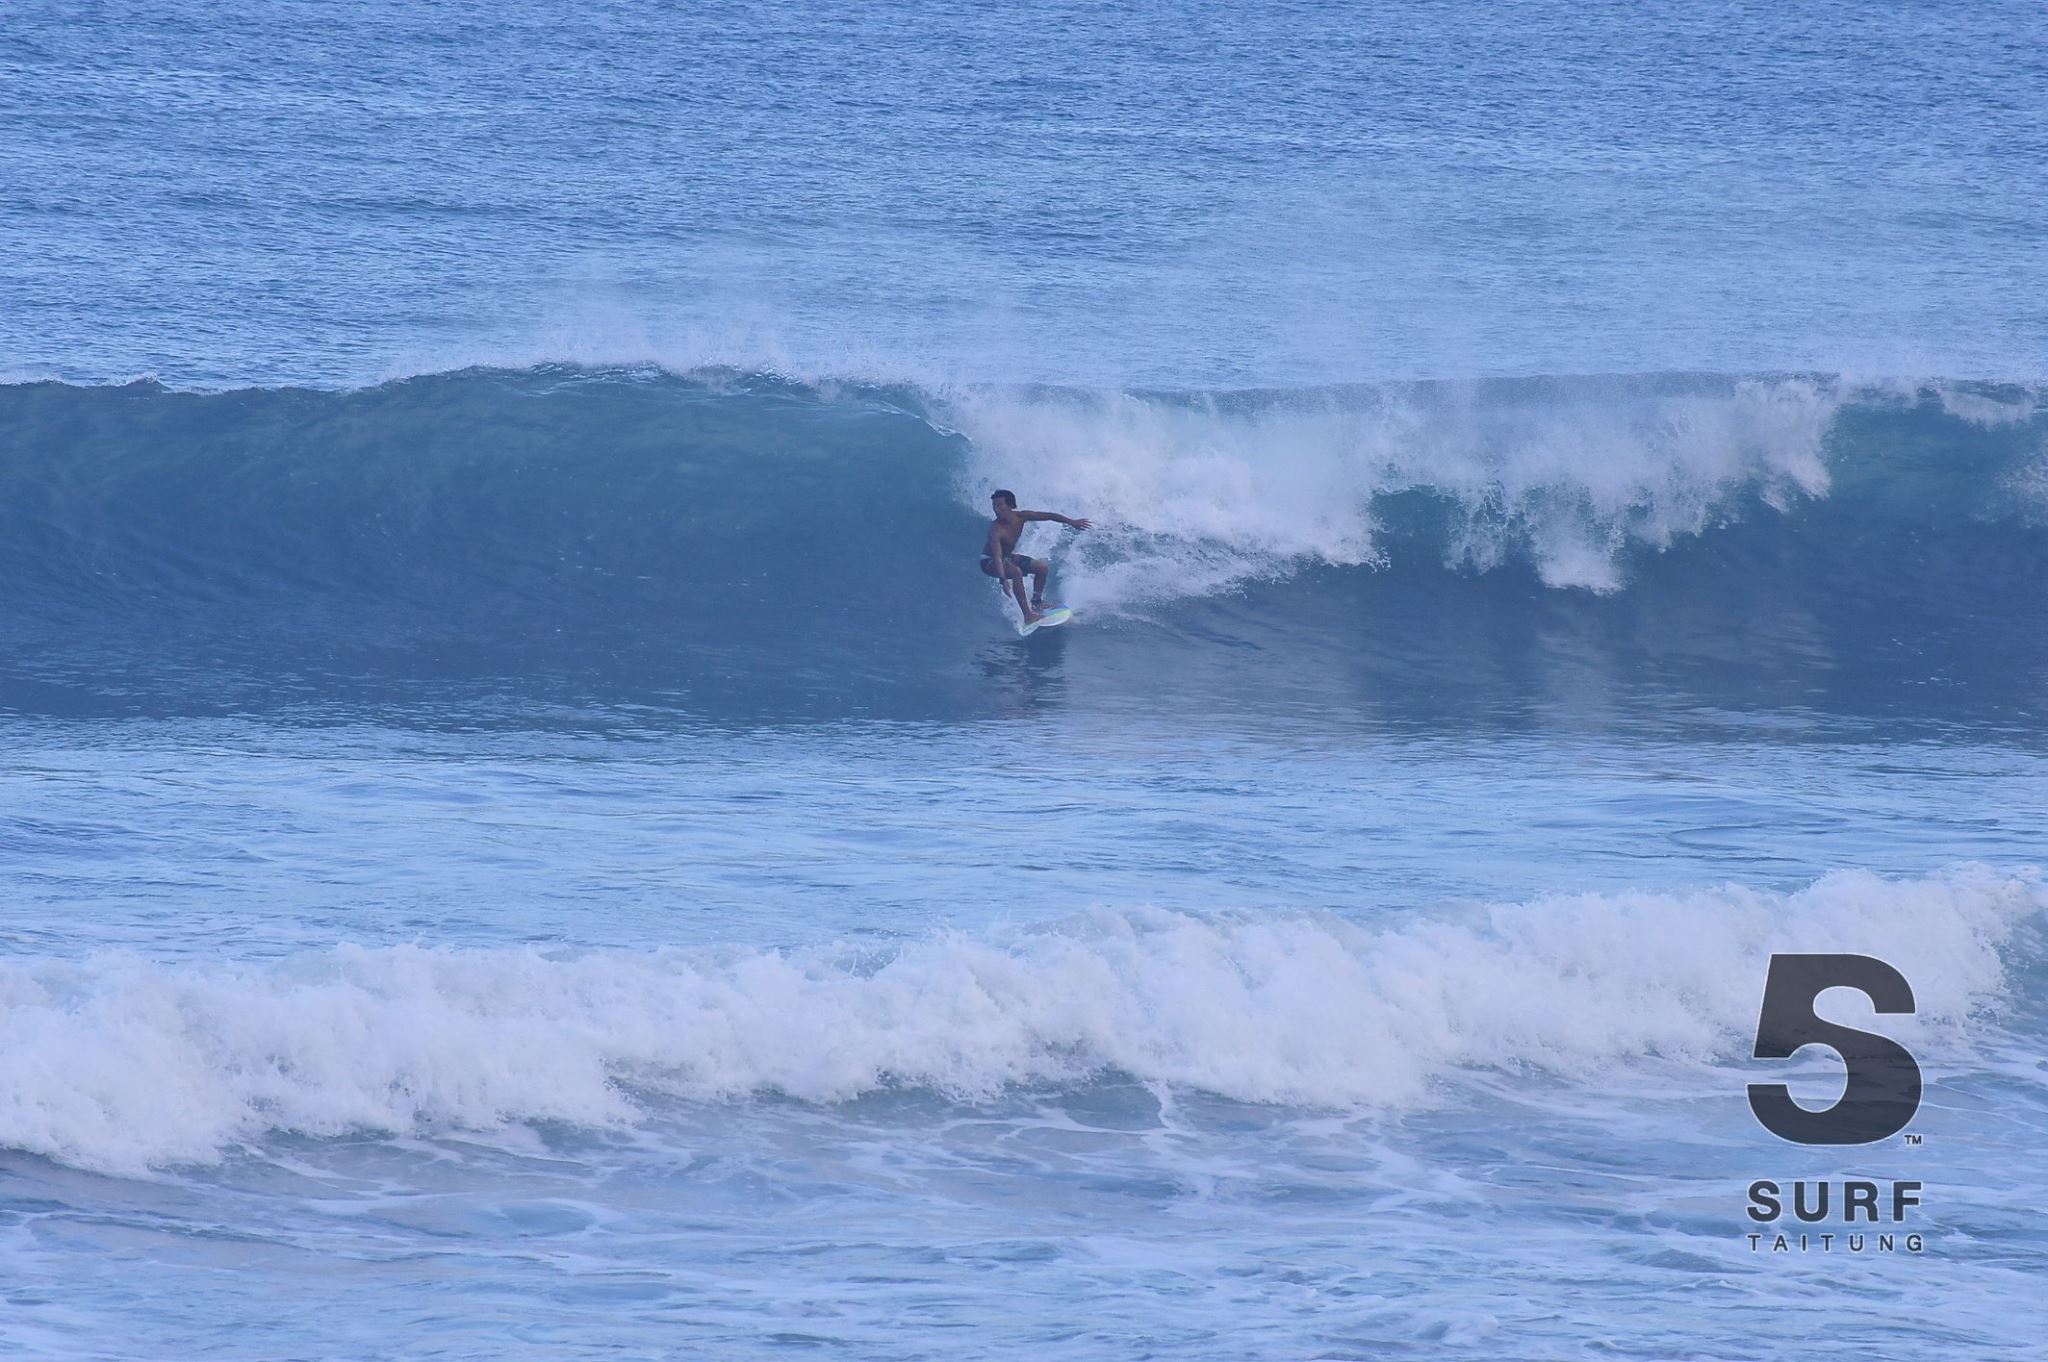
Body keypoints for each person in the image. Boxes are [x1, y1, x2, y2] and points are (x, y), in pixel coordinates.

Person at [981, 489, 1091, 625]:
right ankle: (1028, 616)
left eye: (999, 505)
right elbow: (997, 557)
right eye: (994, 506)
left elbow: (1049, 516)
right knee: (1016, 572)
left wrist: (1072, 522)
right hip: (989, 562)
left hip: (1007, 557)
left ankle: (1037, 603)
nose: (996, 510)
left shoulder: (1021, 517)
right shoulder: (996, 530)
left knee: (1042, 568)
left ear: (1010, 505)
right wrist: (1003, 579)